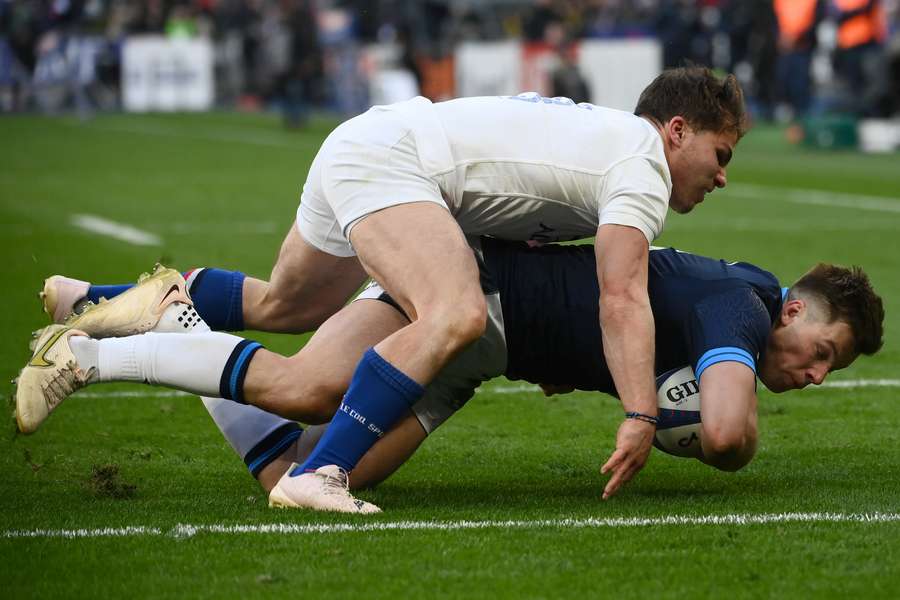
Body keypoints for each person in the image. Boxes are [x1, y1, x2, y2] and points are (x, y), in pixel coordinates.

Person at [24, 67, 748, 510]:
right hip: (396, 164)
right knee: (455, 313)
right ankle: (322, 472)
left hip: (373, 145)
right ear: (676, 130)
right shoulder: (643, 166)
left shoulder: (608, 142)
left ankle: (105, 301)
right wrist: (640, 414)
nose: (722, 178)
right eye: (719, 156)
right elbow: (620, 294)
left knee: (287, 304)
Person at [16, 239, 884, 511]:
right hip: (471, 296)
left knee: (296, 472)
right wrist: (691, 434)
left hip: (485, 355)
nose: (814, 375)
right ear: (797, 316)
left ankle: (169, 314)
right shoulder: (745, 307)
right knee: (304, 382)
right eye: (825, 354)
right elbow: (729, 433)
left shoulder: (734, 298)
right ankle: (100, 349)